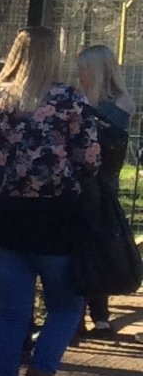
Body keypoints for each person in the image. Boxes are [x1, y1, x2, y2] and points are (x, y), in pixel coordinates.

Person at [0, 25, 104, 376]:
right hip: (54, 219)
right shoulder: (67, 99)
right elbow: (90, 159)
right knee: (66, 306)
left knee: (11, 311)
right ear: (54, 57)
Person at [73, 44, 132, 335]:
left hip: (103, 185)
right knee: (81, 246)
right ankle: (81, 314)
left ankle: (99, 312)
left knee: (98, 243)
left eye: (84, 68)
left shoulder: (118, 104)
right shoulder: (79, 100)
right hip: (81, 187)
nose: (79, 74)